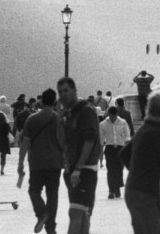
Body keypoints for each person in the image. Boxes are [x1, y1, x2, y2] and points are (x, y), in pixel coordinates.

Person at [122, 90, 160, 234]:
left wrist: (139, 171)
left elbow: (124, 154)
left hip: (134, 190)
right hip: (146, 194)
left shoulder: (145, 129)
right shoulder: (159, 131)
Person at [18, 88, 64, 234]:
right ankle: (51, 228)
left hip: (37, 163)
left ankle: (42, 212)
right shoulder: (59, 119)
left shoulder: (32, 119)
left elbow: (25, 142)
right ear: (54, 101)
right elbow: (64, 142)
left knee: (34, 191)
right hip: (55, 163)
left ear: (42, 101)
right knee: (52, 195)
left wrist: (20, 163)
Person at [58, 77, 101, 234]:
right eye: (60, 92)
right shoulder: (70, 114)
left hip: (85, 170)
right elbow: (63, 142)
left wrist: (78, 168)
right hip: (72, 170)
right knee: (81, 214)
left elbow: (90, 141)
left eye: (66, 91)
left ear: (75, 90)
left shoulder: (86, 111)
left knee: (79, 213)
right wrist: (59, 120)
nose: (63, 95)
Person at [99, 106, 131, 199]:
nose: (113, 118)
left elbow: (127, 136)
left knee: (119, 169)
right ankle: (111, 190)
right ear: (108, 114)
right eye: (111, 116)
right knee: (111, 170)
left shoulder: (123, 122)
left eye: (115, 116)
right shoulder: (103, 124)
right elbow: (101, 140)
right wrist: (100, 155)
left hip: (120, 148)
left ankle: (117, 188)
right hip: (109, 149)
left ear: (117, 114)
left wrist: (128, 150)